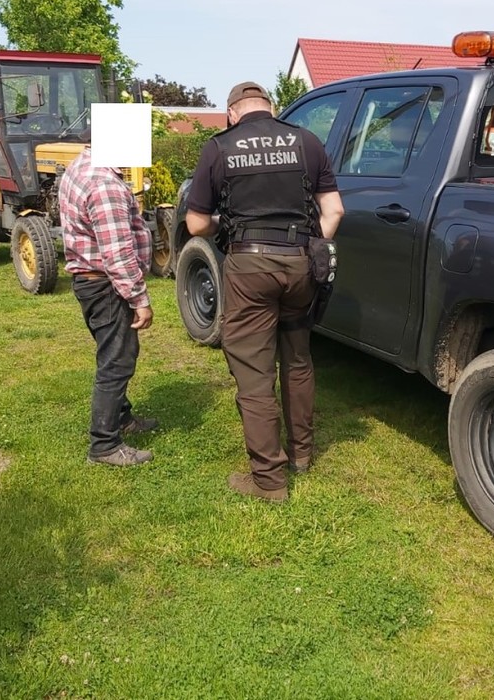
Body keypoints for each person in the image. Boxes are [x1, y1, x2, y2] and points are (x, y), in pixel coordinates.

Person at [186, 81, 344, 502]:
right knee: (297, 359)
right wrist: (309, 243)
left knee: (254, 372)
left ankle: (269, 481)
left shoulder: (219, 148)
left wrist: (227, 224)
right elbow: (334, 210)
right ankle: (302, 455)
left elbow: (196, 224)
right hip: (300, 263)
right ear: (271, 108)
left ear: (232, 113)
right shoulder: (306, 141)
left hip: (250, 266)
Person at [58, 132, 158, 467]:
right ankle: (104, 445)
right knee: (117, 362)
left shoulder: (81, 166)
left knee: (112, 353)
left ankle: (122, 418)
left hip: (89, 281)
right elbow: (117, 254)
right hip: (107, 286)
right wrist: (139, 298)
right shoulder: (105, 185)